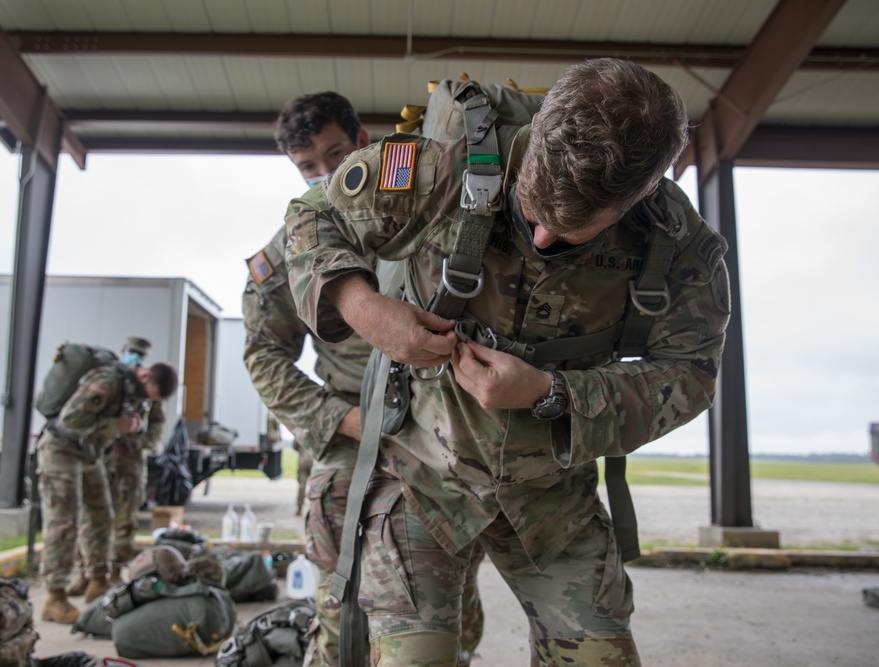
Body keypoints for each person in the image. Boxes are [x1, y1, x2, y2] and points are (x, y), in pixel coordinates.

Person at [284, 58, 731, 666]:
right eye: (534, 210)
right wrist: (363, 306)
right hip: (421, 479)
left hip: (553, 496)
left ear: (646, 191)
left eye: (574, 232)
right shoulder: (436, 169)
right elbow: (313, 217)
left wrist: (552, 393)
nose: (544, 239)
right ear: (540, 125)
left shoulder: (680, 245)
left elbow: (691, 374)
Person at [243, 91, 484, 667]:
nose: (326, 174)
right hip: (353, 427)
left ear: (364, 144)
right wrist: (341, 420)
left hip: (444, 425)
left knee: (449, 580)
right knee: (342, 584)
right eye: (309, 167)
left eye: (335, 154)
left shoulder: (425, 210)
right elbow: (263, 352)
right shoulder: (289, 251)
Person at [38, 356, 178, 624]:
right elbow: (70, 419)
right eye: (150, 395)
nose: (147, 400)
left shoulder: (133, 392)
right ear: (146, 375)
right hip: (61, 449)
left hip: (88, 453)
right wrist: (117, 426)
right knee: (64, 521)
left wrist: (133, 430)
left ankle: (98, 581)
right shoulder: (107, 381)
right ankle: (55, 597)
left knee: (102, 516)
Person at [65, 336, 166, 597]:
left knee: (124, 520)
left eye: (139, 354)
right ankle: (85, 572)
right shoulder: (114, 381)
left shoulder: (149, 388)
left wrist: (142, 441)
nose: (135, 358)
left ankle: (113, 571)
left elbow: (156, 424)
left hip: (131, 463)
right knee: (91, 518)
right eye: (132, 353)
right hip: (102, 459)